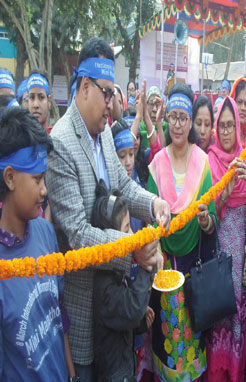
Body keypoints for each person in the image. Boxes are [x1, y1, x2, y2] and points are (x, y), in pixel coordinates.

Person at [45, 37, 170, 382]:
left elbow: (125, 186)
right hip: (86, 311)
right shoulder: (61, 144)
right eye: (107, 93)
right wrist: (133, 253)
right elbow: (79, 235)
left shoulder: (101, 135)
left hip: (114, 307)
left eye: (114, 94)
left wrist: (153, 203)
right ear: (85, 86)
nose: (112, 103)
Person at [144, 83, 216, 381]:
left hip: (192, 268)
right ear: (166, 120)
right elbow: (148, 216)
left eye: (182, 118)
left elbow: (211, 217)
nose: (177, 124)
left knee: (190, 338)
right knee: (166, 339)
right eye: (172, 117)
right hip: (163, 268)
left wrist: (205, 222)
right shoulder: (157, 164)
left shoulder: (202, 163)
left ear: (191, 123)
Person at [0, 105, 75, 381]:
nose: (45, 190)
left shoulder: (45, 232)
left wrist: (72, 374)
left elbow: (59, 315)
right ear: (10, 178)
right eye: (37, 179)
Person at [206, 95, 246, 382]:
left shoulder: (245, 162)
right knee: (217, 325)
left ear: (239, 128)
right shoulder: (210, 162)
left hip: (240, 271)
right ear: (216, 129)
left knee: (237, 329)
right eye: (223, 126)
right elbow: (206, 220)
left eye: (231, 125)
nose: (227, 131)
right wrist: (225, 192)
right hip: (217, 267)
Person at [90, 182, 158, 382]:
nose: (131, 236)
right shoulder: (104, 284)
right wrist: (147, 264)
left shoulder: (116, 270)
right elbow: (133, 307)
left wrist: (140, 323)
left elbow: (126, 315)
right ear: (110, 236)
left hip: (124, 365)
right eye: (126, 229)